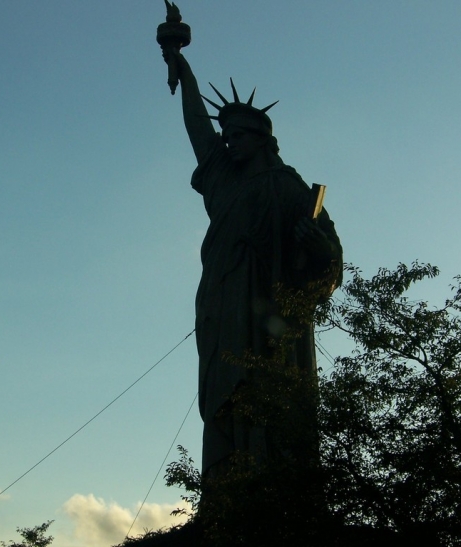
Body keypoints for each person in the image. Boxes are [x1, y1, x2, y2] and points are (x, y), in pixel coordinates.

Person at [167, 51, 343, 476]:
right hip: (222, 303)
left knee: (272, 389)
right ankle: (226, 490)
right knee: (222, 392)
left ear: (262, 137)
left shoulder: (289, 187)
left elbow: (332, 258)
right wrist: (181, 67)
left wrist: (316, 246)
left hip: (272, 312)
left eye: (238, 135)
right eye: (226, 136)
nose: (229, 142)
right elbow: (197, 128)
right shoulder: (223, 181)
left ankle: (277, 489)